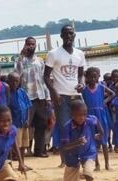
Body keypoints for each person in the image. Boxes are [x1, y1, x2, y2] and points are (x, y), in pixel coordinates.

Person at [44, 25, 86, 167]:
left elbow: (81, 74)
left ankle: (81, 157)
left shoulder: (79, 54)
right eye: (66, 34)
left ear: (74, 36)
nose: (69, 36)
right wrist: (54, 92)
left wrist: (81, 83)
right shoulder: (53, 53)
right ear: (61, 36)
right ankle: (65, 160)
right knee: (64, 128)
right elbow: (45, 77)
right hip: (61, 96)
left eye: (71, 34)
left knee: (80, 127)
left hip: (76, 95)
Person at [61, 100, 102, 181]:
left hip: (88, 152)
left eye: (84, 114)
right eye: (79, 115)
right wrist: (77, 142)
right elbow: (64, 147)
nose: (82, 117)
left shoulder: (90, 121)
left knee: (88, 173)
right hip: (71, 156)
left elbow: (96, 121)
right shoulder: (67, 127)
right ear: (72, 115)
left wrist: (100, 133)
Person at [15, 36, 51, 157]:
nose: (31, 46)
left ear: (36, 45)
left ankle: (39, 150)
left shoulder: (40, 61)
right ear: (25, 45)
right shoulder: (20, 60)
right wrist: (21, 56)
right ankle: (21, 151)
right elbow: (16, 76)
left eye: (33, 44)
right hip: (26, 97)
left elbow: (44, 80)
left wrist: (48, 97)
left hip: (40, 96)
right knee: (25, 124)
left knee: (42, 124)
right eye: (29, 44)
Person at [79, 67, 115, 170]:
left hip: (101, 115)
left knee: (103, 139)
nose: (94, 79)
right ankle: (97, 164)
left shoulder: (101, 87)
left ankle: (107, 164)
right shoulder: (84, 89)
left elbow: (112, 94)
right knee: (93, 140)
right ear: (87, 78)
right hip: (89, 117)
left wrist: (105, 101)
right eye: (91, 77)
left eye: (95, 77)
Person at [8, 72, 32, 161]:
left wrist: (28, 119)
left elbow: (28, 106)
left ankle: (22, 163)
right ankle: (10, 163)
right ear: (8, 82)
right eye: (12, 81)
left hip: (24, 123)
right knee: (14, 145)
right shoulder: (8, 93)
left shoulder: (22, 92)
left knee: (24, 144)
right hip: (15, 124)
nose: (14, 83)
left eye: (16, 81)